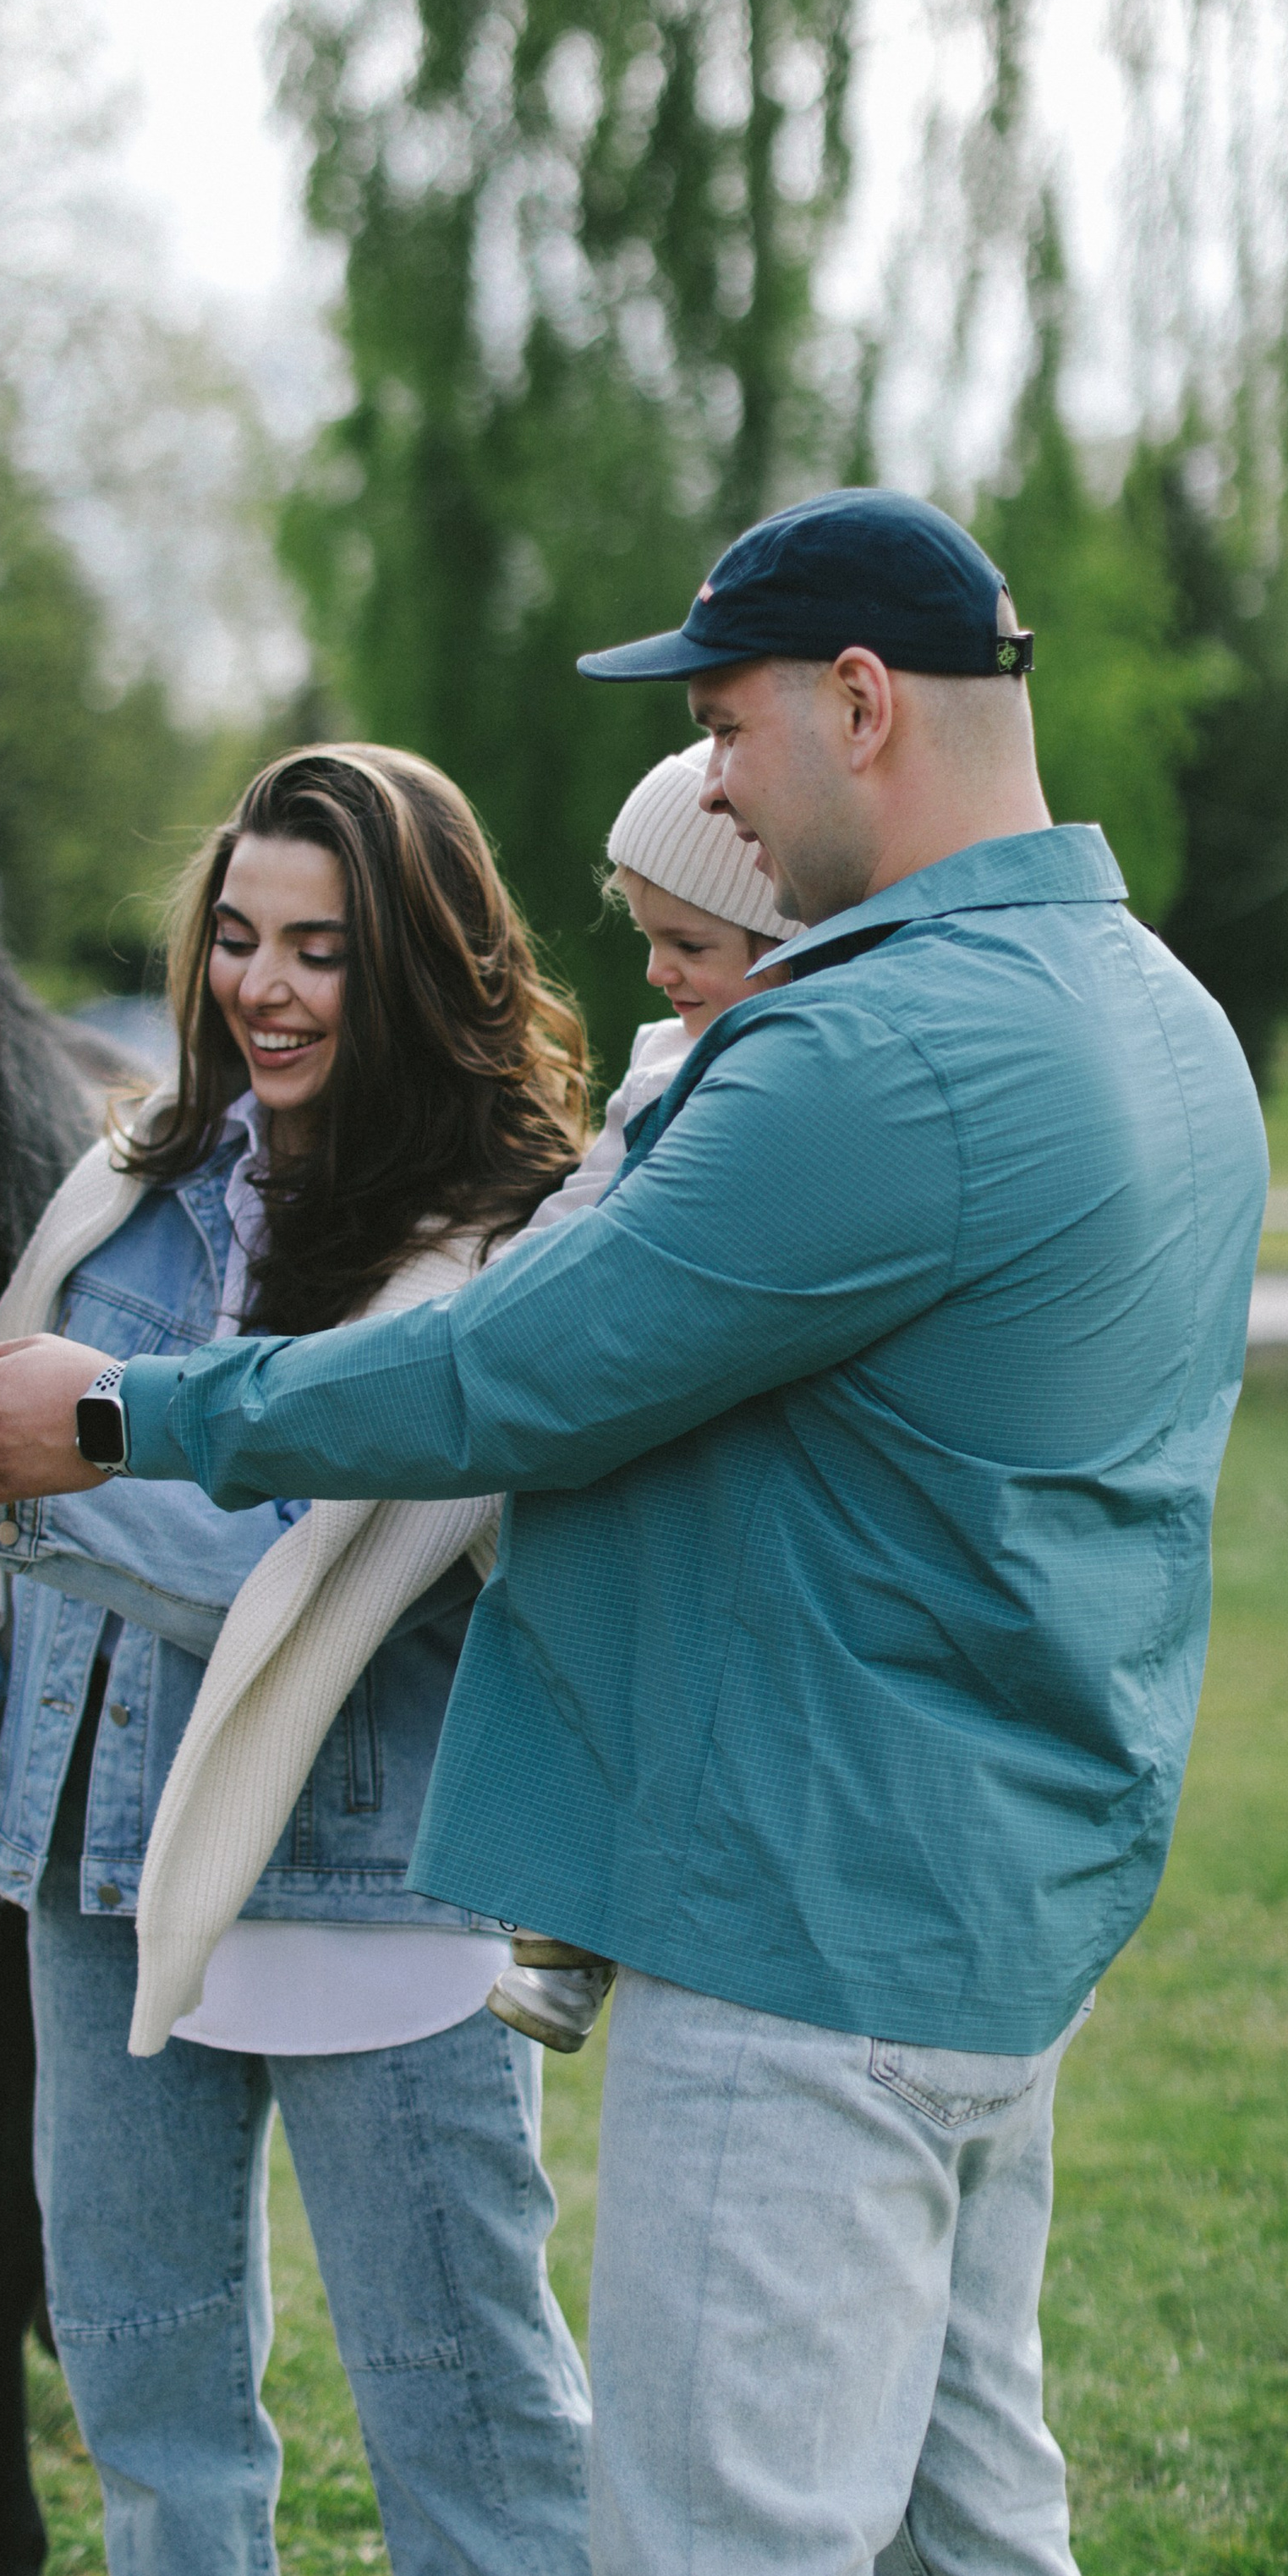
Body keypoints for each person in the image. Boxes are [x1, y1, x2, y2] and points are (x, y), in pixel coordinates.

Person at [0, 489, 1270, 2576]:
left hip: (801, 1941)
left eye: (725, 729)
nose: (709, 789)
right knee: (965, 2559)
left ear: (858, 702)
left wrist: (117, 1407)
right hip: (992, 1930)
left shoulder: (872, 1054)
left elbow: (502, 1374)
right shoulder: (1152, 1011)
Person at [0, 744, 642, 2576]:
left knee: (476, 2449)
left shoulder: (503, 1244)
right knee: (159, 2448)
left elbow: (297, 1571)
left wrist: (55, 1468)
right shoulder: (127, 1188)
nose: (263, 985)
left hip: (380, 1913)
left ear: (420, 964)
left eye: (321, 949)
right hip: (96, 1892)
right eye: (237, 937)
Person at [489, 738, 800, 2052]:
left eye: (693, 946)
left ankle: (574, 1927)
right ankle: (556, 1924)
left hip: (694, 1422)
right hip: (615, 1384)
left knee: (625, 1635)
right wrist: (508, 1279)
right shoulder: (663, 1059)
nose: (662, 972)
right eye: (650, 940)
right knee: (553, 1612)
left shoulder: (775, 1074)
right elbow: (584, 1199)